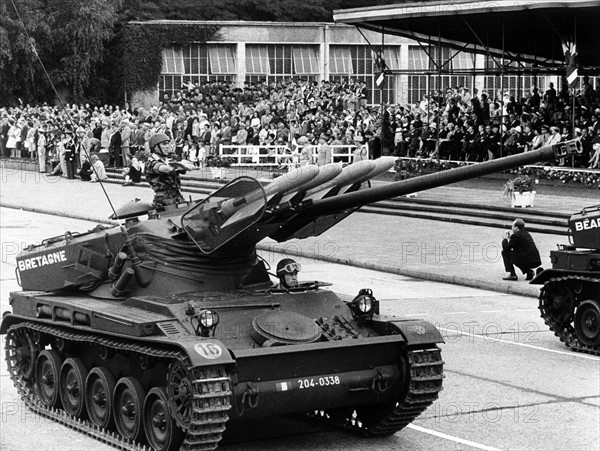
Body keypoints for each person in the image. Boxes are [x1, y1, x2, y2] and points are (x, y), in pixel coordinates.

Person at [145, 133, 186, 207]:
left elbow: (182, 170)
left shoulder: (167, 160)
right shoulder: (151, 162)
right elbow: (163, 168)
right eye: (164, 144)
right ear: (155, 147)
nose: (167, 147)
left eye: (168, 144)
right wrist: (180, 166)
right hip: (164, 201)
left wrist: (183, 166)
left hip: (178, 198)